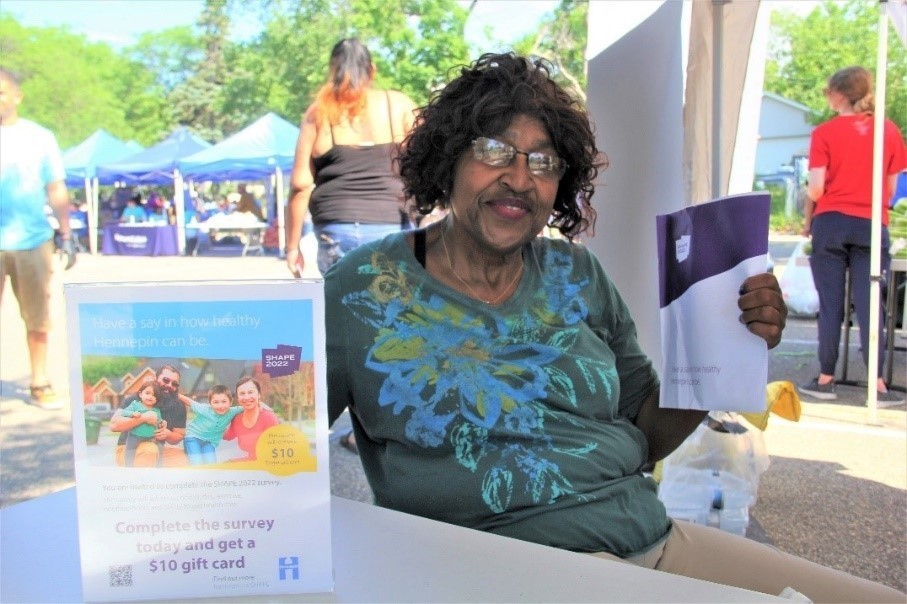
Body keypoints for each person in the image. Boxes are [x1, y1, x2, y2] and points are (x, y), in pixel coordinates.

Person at [322, 53, 903, 602]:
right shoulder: (364, 289)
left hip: (648, 538)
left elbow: (646, 433)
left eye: (544, 161)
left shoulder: (576, 272)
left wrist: (727, 348)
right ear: (447, 159)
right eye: (496, 151)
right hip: (505, 568)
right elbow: (280, 447)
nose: (521, 179)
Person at [798, 66, 906, 406]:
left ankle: (826, 378)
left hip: (830, 222)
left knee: (831, 304)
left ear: (839, 94)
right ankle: (877, 382)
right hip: (871, 223)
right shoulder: (888, 130)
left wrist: (818, 194)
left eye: (828, 91)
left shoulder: (825, 133)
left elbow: (815, 187)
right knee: (871, 302)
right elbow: (890, 190)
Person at [285, 38, 419, 278]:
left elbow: (300, 185)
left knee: (344, 310)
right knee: (395, 311)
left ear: (332, 70)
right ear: (372, 70)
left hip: (336, 230)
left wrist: (292, 247)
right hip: (393, 227)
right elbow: (429, 162)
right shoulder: (399, 106)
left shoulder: (319, 113)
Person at [0, 68, 76, 410]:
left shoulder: (40, 137)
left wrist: (67, 233)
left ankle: (39, 381)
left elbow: (56, 187)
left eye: (2, 92)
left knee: (38, 317)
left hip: (32, 240)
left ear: (17, 96)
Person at [110, 365, 188, 467]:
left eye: (174, 384)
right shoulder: (137, 398)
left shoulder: (178, 406)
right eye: (165, 380)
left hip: (157, 449)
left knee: (188, 457)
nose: (169, 385)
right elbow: (113, 425)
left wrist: (168, 434)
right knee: (150, 450)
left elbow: (179, 435)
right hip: (129, 449)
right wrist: (143, 418)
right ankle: (139, 480)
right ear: (155, 379)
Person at [177, 385, 243, 465]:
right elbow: (190, 402)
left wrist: (260, 404)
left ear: (230, 402)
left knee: (211, 464)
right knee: (197, 462)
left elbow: (246, 407)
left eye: (224, 401)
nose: (220, 406)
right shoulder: (204, 409)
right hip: (193, 438)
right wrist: (176, 394)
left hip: (209, 442)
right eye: (216, 402)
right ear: (210, 403)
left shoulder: (232, 411)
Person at [223, 376, 280, 462]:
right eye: (242, 394)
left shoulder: (268, 417)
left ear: (259, 395)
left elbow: (278, 450)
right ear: (238, 398)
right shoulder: (237, 419)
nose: (246, 397)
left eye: (250, 392)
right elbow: (226, 436)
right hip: (249, 464)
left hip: (267, 466)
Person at [121, 381, 165, 467]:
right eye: (147, 393)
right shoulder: (135, 405)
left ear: (157, 399)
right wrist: (132, 414)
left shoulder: (156, 410)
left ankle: (159, 467)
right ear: (141, 394)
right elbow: (123, 412)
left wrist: (162, 423)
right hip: (135, 435)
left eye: (154, 395)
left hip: (151, 436)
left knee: (160, 447)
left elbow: (159, 421)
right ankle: (128, 467)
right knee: (130, 451)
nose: (150, 397)